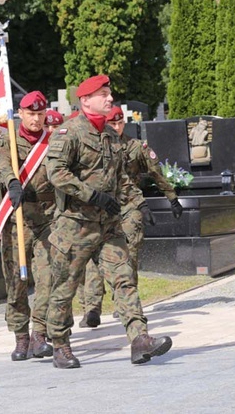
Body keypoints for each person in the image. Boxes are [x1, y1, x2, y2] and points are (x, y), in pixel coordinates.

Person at [44, 74, 172, 368]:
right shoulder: (69, 133)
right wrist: (92, 195)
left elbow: (122, 179)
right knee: (65, 287)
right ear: (86, 100)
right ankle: (60, 345)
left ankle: (140, 340)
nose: (110, 98)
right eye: (103, 94)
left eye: (110, 93)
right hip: (75, 226)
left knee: (124, 278)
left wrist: (139, 203)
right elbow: (57, 174)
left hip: (108, 226)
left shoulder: (112, 136)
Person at [78, 106, 184, 328]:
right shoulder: (94, 146)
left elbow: (155, 173)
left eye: (119, 123)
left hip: (129, 206)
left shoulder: (135, 148)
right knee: (94, 259)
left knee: (129, 254)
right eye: (111, 123)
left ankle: (124, 305)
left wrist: (171, 198)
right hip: (100, 208)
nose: (116, 127)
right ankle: (92, 308)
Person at [0, 91, 55, 361]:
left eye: (40, 114)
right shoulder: (7, 141)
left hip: (46, 223)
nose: (36, 119)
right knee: (15, 281)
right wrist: (12, 181)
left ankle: (40, 333)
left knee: (47, 277)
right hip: (16, 223)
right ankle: (21, 336)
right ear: (20, 114)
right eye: (31, 113)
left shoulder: (54, 142)